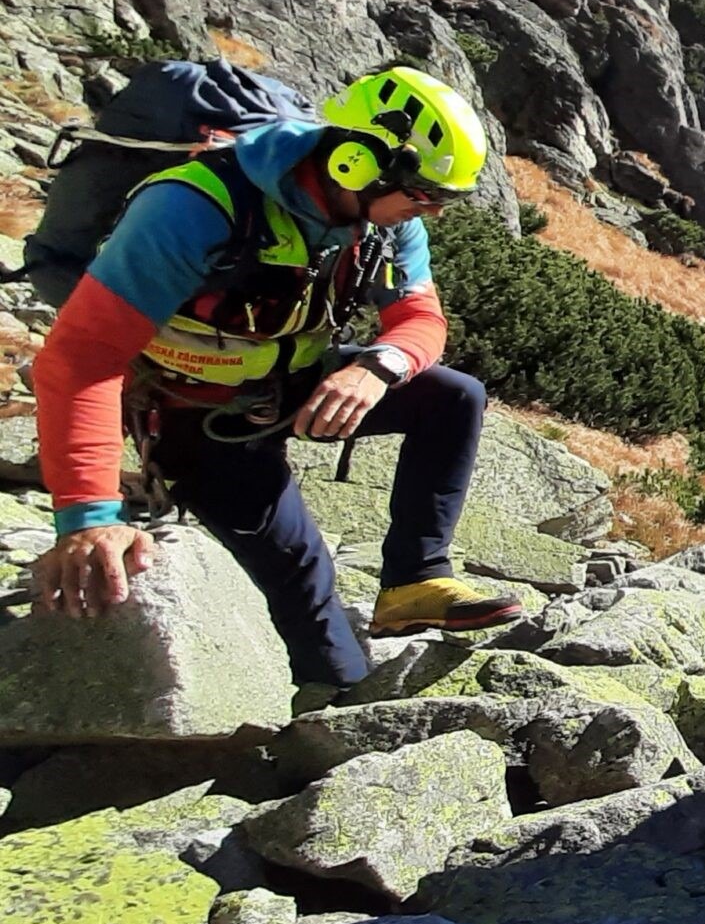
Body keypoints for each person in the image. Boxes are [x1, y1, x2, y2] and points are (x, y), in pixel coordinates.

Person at [30, 65, 521, 689]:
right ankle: (330, 721)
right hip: (198, 415)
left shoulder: (389, 224)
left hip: (296, 383)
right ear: (355, 161)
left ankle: (413, 580)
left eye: (443, 199)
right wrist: (89, 519)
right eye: (426, 193)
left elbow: (421, 319)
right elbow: (82, 359)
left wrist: (377, 366)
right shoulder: (193, 208)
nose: (432, 212)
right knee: (302, 573)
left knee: (453, 397)